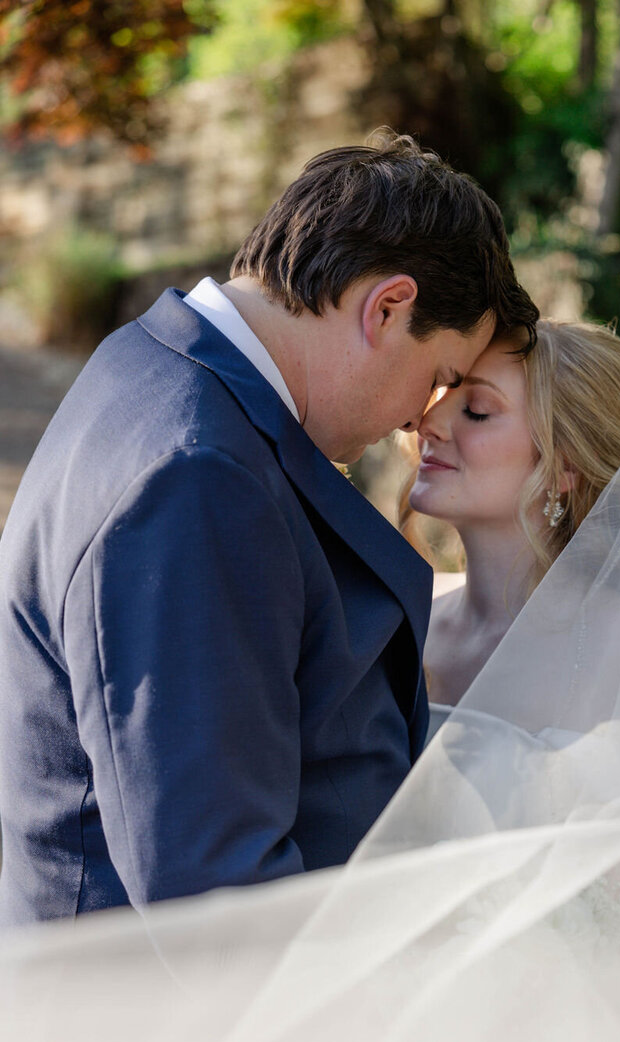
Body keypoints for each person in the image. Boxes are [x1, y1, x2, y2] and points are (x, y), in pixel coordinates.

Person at [1, 320, 620, 1042]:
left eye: (480, 411)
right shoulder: (396, 634)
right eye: (440, 400)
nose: (432, 425)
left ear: (562, 471)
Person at [0, 131, 539, 927]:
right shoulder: (198, 476)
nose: (414, 421)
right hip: (167, 1035)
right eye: (437, 379)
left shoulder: (149, 362)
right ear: (387, 309)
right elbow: (215, 893)